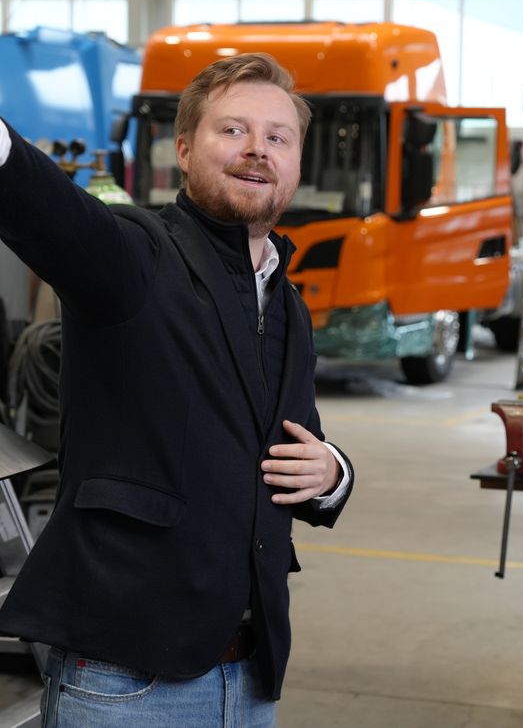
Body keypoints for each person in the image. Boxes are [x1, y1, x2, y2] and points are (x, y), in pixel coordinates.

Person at [0, 52, 354, 726]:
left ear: (297, 163)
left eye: (279, 137)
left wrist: (333, 472)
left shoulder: (286, 301)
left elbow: (295, 449)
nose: (258, 151)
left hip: (249, 680)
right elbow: (45, 206)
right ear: (184, 150)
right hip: (127, 686)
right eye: (233, 131)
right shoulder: (136, 254)